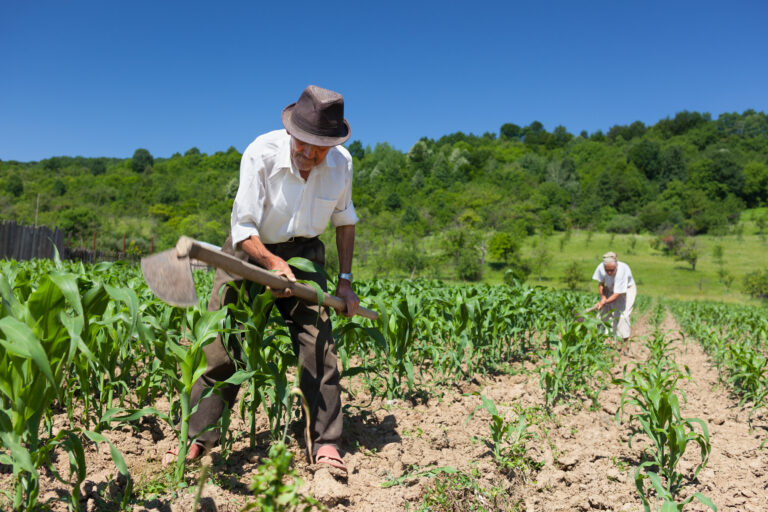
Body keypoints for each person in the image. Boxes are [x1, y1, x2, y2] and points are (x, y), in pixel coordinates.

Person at [165, 85, 360, 473]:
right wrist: (271, 263)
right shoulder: (260, 153)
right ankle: (196, 439)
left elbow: (345, 221)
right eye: (302, 143)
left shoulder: (341, 164)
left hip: (305, 255)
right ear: (292, 132)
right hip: (249, 252)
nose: (307, 154)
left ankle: (325, 443)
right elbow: (243, 227)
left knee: (318, 344)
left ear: (331, 144)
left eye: (317, 148)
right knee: (223, 347)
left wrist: (345, 280)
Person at [591, 251, 636, 345]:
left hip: (625, 291)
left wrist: (605, 302)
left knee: (623, 316)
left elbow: (617, 294)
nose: (609, 272)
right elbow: (601, 284)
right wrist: (603, 297)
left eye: (612, 270)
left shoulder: (622, 271)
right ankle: (601, 342)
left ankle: (624, 345)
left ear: (616, 265)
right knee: (602, 314)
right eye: (607, 270)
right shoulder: (601, 267)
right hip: (610, 288)